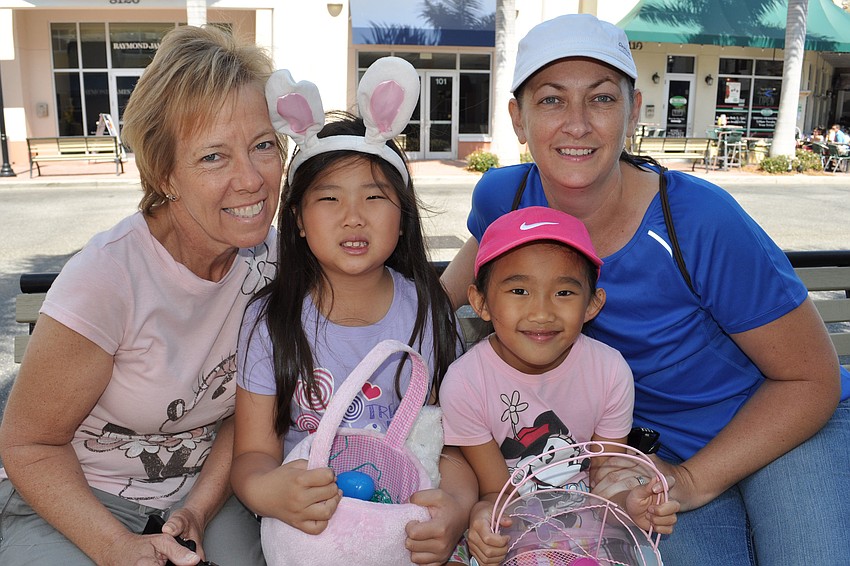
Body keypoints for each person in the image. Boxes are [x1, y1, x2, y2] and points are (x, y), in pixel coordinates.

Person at [441, 13, 850, 566]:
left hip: (779, 429)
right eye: (552, 100)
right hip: (646, 453)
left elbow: (811, 377)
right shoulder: (505, 200)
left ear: (633, 111)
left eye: (603, 99)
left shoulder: (697, 221)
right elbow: (440, 304)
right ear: (518, 117)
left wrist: (692, 480)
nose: (577, 124)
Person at [0, 26, 281, 566]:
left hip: (207, 492)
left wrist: (198, 509)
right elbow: (28, 446)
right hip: (79, 499)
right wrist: (115, 549)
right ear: (164, 171)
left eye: (263, 145)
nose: (251, 179)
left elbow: (244, 415)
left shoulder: (274, 264)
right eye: (214, 157)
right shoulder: (108, 279)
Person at [231, 57, 476, 566]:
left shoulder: (429, 314)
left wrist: (455, 509)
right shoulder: (270, 322)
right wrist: (269, 492)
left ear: (402, 215)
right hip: (311, 534)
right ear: (296, 219)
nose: (353, 216)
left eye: (374, 195)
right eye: (329, 198)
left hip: (403, 528)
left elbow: (453, 447)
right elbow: (253, 454)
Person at [439, 206, 679, 565]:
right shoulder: (464, 383)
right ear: (480, 302)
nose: (542, 312)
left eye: (564, 293)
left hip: (589, 524)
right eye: (519, 290)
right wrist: (483, 522)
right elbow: (494, 490)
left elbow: (605, 474)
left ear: (592, 305)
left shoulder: (610, 370)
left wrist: (631, 503)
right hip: (511, 521)